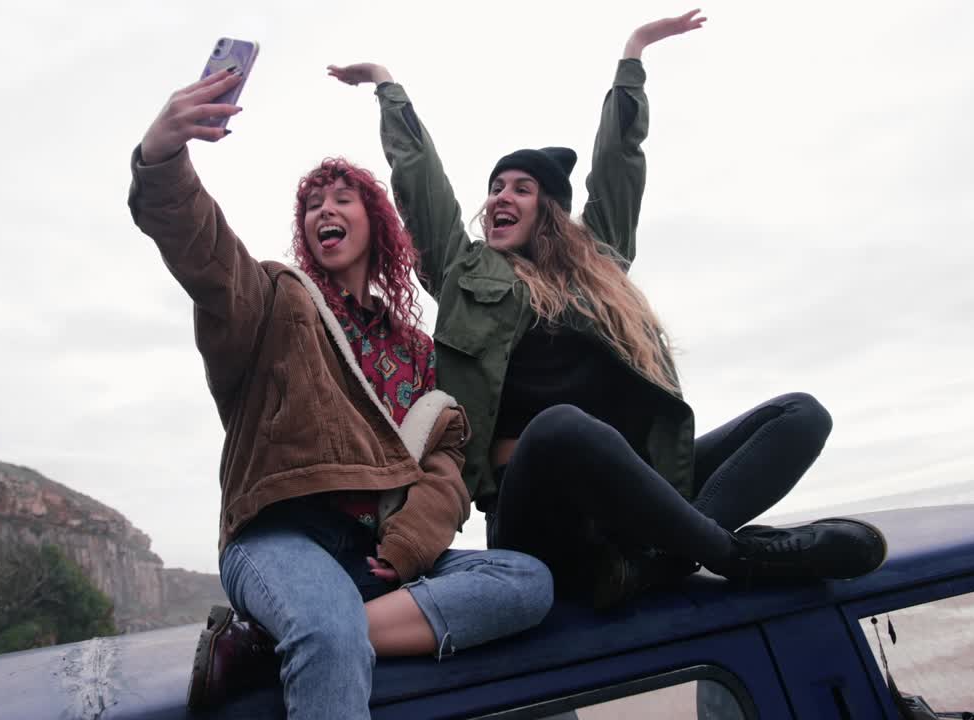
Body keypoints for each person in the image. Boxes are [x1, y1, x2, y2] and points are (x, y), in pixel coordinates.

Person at [328, 9, 886, 609]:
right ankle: (734, 557)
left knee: (801, 415)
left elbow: (620, 165)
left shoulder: (598, 268)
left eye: (519, 187)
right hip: (541, 512)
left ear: (551, 211)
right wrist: (388, 87)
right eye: (494, 187)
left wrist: (634, 55)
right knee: (562, 426)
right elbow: (420, 181)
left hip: (636, 500)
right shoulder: (464, 272)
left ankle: (666, 558)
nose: (499, 198)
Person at [128, 68, 553, 718]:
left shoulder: (413, 346)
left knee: (527, 582)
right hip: (278, 538)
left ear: (374, 222)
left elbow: (442, 461)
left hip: (376, 555)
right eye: (313, 203)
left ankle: (272, 643)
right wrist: (162, 162)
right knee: (329, 635)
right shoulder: (272, 300)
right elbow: (204, 252)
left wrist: (411, 543)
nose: (324, 209)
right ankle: (319, 630)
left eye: (342, 198)